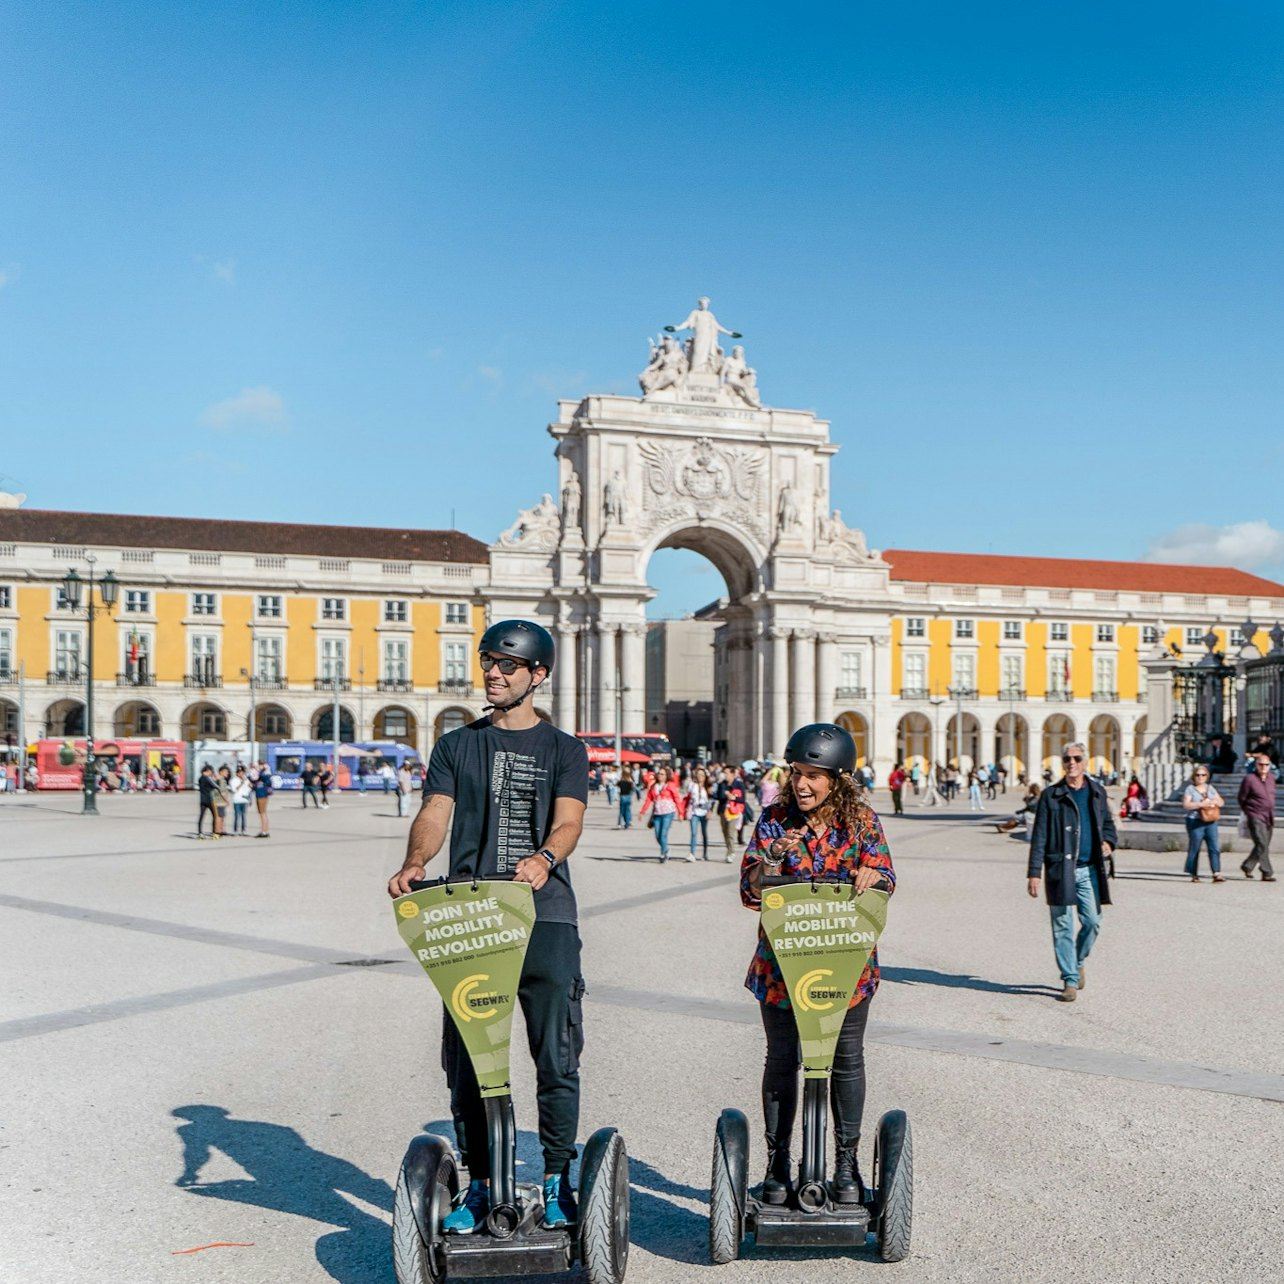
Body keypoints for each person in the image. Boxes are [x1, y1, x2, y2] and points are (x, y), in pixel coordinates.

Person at [387, 619, 589, 1234]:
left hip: (544, 915)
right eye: (488, 662)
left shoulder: (564, 750)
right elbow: (435, 810)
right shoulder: (456, 745)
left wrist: (545, 859)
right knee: (469, 1057)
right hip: (469, 916)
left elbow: (569, 820)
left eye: (507, 664)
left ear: (538, 675)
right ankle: (478, 1183)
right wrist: (416, 860)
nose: (494, 673)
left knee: (555, 1052)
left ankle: (556, 1176)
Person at [740, 723, 896, 1206]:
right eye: (796, 773)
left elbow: (887, 878)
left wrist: (876, 876)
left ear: (838, 779)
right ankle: (777, 1164)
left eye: (813, 775)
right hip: (782, 968)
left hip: (847, 966)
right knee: (783, 1061)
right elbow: (749, 891)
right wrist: (771, 860)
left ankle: (846, 1166)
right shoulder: (774, 819)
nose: (802, 784)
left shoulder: (863, 823)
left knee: (846, 1062)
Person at [1027, 741, 1117, 1002]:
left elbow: (1109, 825)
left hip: (1089, 870)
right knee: (1063, 925)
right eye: (1067, 759)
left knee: (1093, 922)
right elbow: (1039, 837)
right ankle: (1069, 979)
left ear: (1085, 761)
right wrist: (1034, 872)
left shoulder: (1096, 792)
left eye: (1077, 758)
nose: (1072, 763)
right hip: (1060, 868)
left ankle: (1077, 961)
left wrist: (1109, 842)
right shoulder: (1051, 795)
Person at [1238, 753, 1277, 881]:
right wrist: (1249, 812)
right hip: (1255, 815)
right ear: (1256, 765)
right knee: (1261, 843)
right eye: (1261, 764)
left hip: (1269, 816)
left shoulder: (1271, 778)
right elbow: (1241, 798)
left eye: (1266, 764)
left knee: (1263, 844)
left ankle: (1247, 865)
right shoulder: (1249, 779)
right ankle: (1267, 872)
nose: (1264, 767)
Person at [1182, 765, 1224, 882]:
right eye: (1198, 775)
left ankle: (1216, 872)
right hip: (1195, 821)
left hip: (1210, 821)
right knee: (1195, 847)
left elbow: (1221, 802)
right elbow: (1186, 805)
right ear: (1194, 776)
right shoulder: (1190, 789)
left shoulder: (1210, 788)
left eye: (1203, 775)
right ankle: (1193, 873)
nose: (1200, 777)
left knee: (1214, 847)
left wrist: (1215, 801)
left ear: (1207, 776)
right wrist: (1200, 804)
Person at [639, 765, 683, 863]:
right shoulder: (654, 786)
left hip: (668, 813)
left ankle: (663, 854)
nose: (660, 775)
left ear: (667, 776)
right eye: (659, 773)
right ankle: (666, 848)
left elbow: (677, 798)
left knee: (663, 834)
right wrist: (642, 812)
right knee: (658, 835)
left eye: (662, 774)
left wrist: (681, 812)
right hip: (657, 813)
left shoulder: (670, 785)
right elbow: (649, 799)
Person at [715, 765, 748, 863]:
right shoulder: (722, 784)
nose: (725, 775)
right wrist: (725, 795)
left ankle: (731, 852)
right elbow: (719, 796)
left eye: (727, 773)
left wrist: (734, 798)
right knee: (725, 832)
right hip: (723, 811)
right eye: (724, 773)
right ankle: (729, 849)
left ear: (733, 774)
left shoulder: (739, 784)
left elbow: (743, 799)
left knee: (730, 832)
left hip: (734, 812)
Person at [686, 766, 712, 860]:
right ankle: (692, 853)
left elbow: (711, 800)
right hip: (694, 812)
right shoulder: (692, 785)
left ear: (705, 776)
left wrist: (710, 811)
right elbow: (687, 797)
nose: (700, 777)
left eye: (702, 775)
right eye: (698, 775)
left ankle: (705, 853)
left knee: (704, 833)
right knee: (693, 833)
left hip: (704, 812)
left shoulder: (708, 787)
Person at [196, 765, 218, 839]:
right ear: (207, 771)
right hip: (209, 800)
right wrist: (215, 780)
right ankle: (214, 833)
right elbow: (215, 786)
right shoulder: (207, 778)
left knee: (201, 816)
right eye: (211, 772)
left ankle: (200, 833)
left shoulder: (200, 778)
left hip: (202, 800)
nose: (211, 773)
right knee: (215, 816)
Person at [252, 761, 272, 838]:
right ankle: (265, 830)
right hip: (261, 793)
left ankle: (264, 831)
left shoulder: (264, 773)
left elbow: (265, 780)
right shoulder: (263, 773)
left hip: (261, 794)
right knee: (263, 813)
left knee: (262, 813)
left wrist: (258, 771)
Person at [230, 766, 251, 836]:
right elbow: (234, 790)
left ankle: (243, 830)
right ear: (237, 773)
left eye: (242, 773)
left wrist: (249, 784)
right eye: (240, 773)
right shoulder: (233, 780)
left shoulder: (246, 780)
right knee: (237, 815)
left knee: (243, 815)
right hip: (237, 800)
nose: (241, 774)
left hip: (244, 800)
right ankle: (235, 830)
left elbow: (250, 788)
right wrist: (242, 783)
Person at [214, 765, 233, 837]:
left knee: (221, 816)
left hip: (219, 801)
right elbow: (222, 792)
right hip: (220, 801)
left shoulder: (218, 779)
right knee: (219, 817)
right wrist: (227, 800)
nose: (227, 773)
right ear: (221, 772)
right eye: (226, 772)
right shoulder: (221, 780)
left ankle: (221, 830)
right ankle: (218, 831)